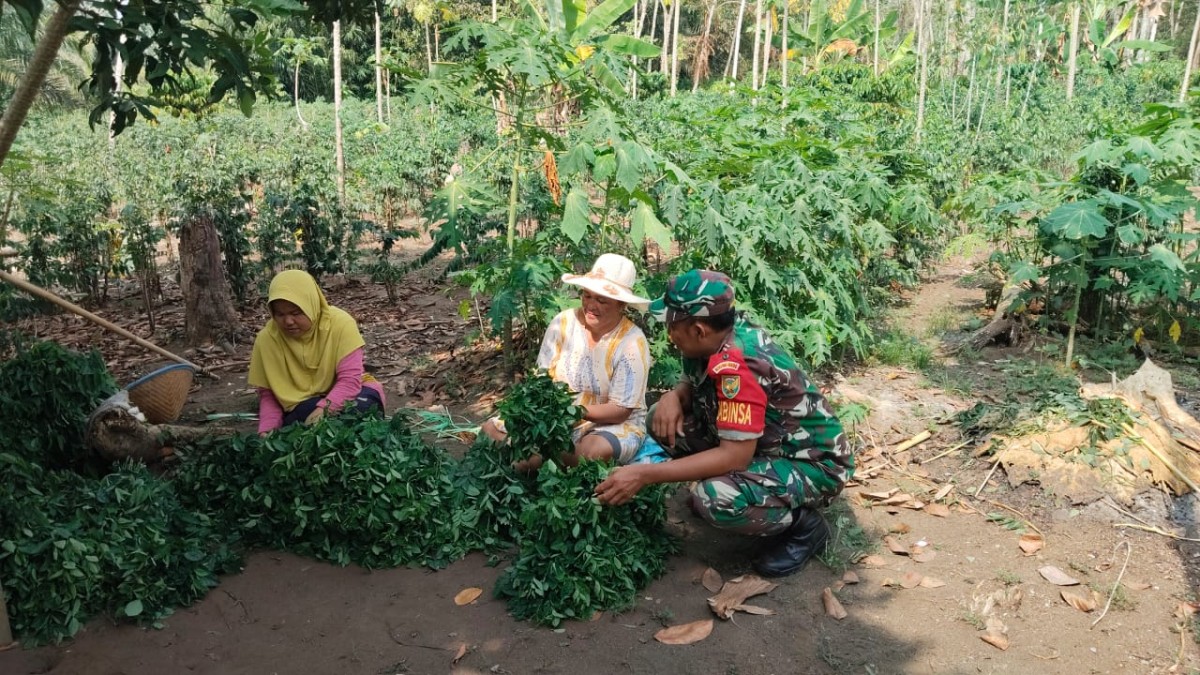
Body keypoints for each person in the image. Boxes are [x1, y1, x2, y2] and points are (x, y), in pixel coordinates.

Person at [594, 270, 854, 578]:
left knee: (714, 497)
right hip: (760, 442)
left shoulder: (740, 367)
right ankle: (752, 488)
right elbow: (693, 381)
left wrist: (643, 474)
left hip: (810, 464)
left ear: (699, 329)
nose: (669, 335)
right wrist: (674, 396)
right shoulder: (712, 336)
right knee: (660, 420)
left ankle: (803, 527)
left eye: (672, 326)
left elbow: (735, 456)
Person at [482, 253, 652, 468]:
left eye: (602, 300)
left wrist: (574, 411)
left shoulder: (631, 342)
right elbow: (541, 379)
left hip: (608, 425)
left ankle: (535, 460)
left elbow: (620, 410)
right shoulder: (563, 323)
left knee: (593, 452)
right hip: (555, 418)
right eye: (587, 295)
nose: (591, 305)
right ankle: (544, 460)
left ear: (621, 305)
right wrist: (544, 411)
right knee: (490, 429)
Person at [248, 269, 386, 435]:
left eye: (296, 313)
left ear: (311, 304)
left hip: (353, 394)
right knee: (297, 425)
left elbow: (349, 382)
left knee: (360, 415)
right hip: (303, 404)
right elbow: (269, 394)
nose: (288, 321)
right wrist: (267, 430)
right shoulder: (267, 339)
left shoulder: (340, 324)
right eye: (280, 314)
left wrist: (322, 412)